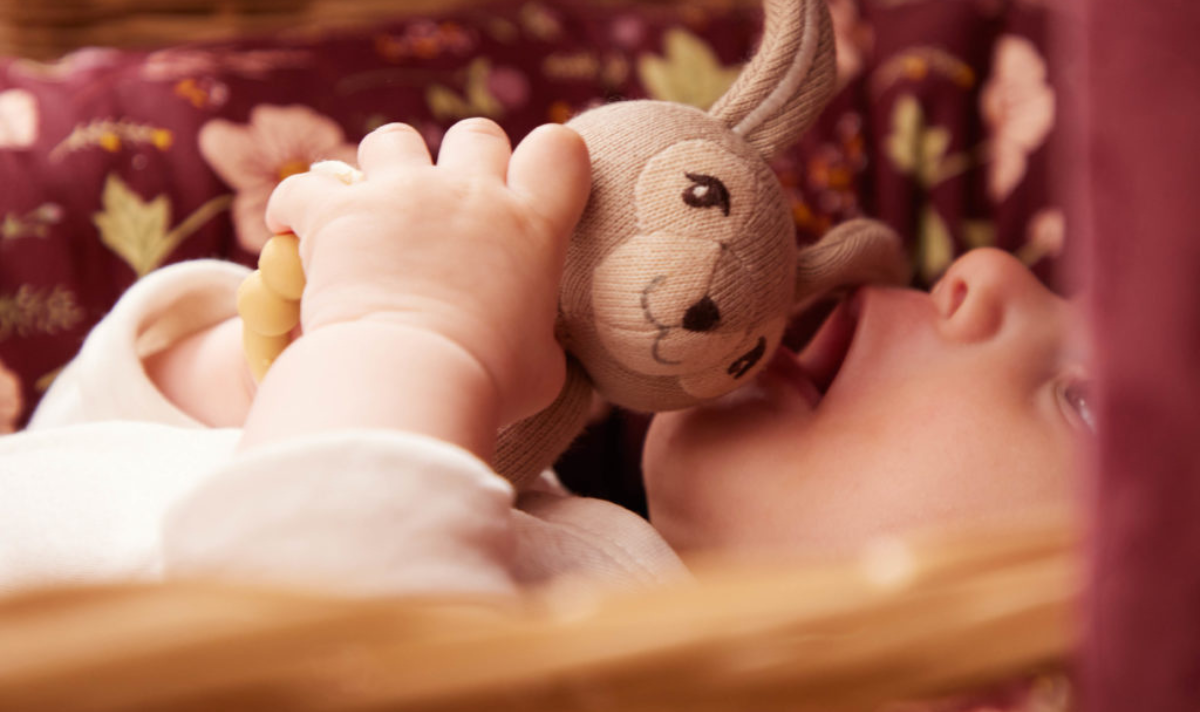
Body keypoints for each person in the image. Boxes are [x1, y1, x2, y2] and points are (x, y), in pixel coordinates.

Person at [0, 118, 1091, 595]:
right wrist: (274, 373)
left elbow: (303, 678)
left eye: (1090, 402)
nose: (989, 270)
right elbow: (79, 452)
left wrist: (403, 330)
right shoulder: (548, 514)